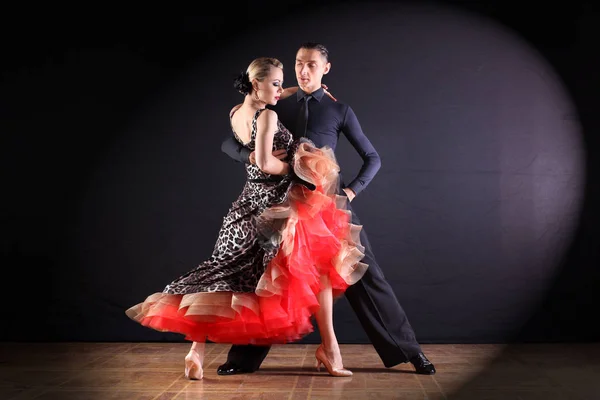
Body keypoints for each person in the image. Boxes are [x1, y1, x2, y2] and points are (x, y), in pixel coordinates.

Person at [126, 56, 369, 380]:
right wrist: (302, 172)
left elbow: (252, 139)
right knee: (321, 264)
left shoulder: (237, 113)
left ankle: (195, 351)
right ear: (258, 84)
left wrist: (306, 88)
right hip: (272, 206)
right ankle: (330, 349)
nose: (281, 91)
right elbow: (266, 163)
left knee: (222, 278)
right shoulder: (267, 115)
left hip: (243, 207)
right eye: (277, 83)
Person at [220, 42, 436, 375]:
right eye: (298, 63)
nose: (303, 70)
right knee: (269, 278)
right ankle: (241, 360)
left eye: (311, 65)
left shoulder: (339, 110)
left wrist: (350, 191)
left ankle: (410, 352)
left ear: (326, 68)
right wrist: (248, 156)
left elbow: (373, 158)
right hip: (285, 205)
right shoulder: (276, 104)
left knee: (366, 276)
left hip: (330, 207)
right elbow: (229, 141)